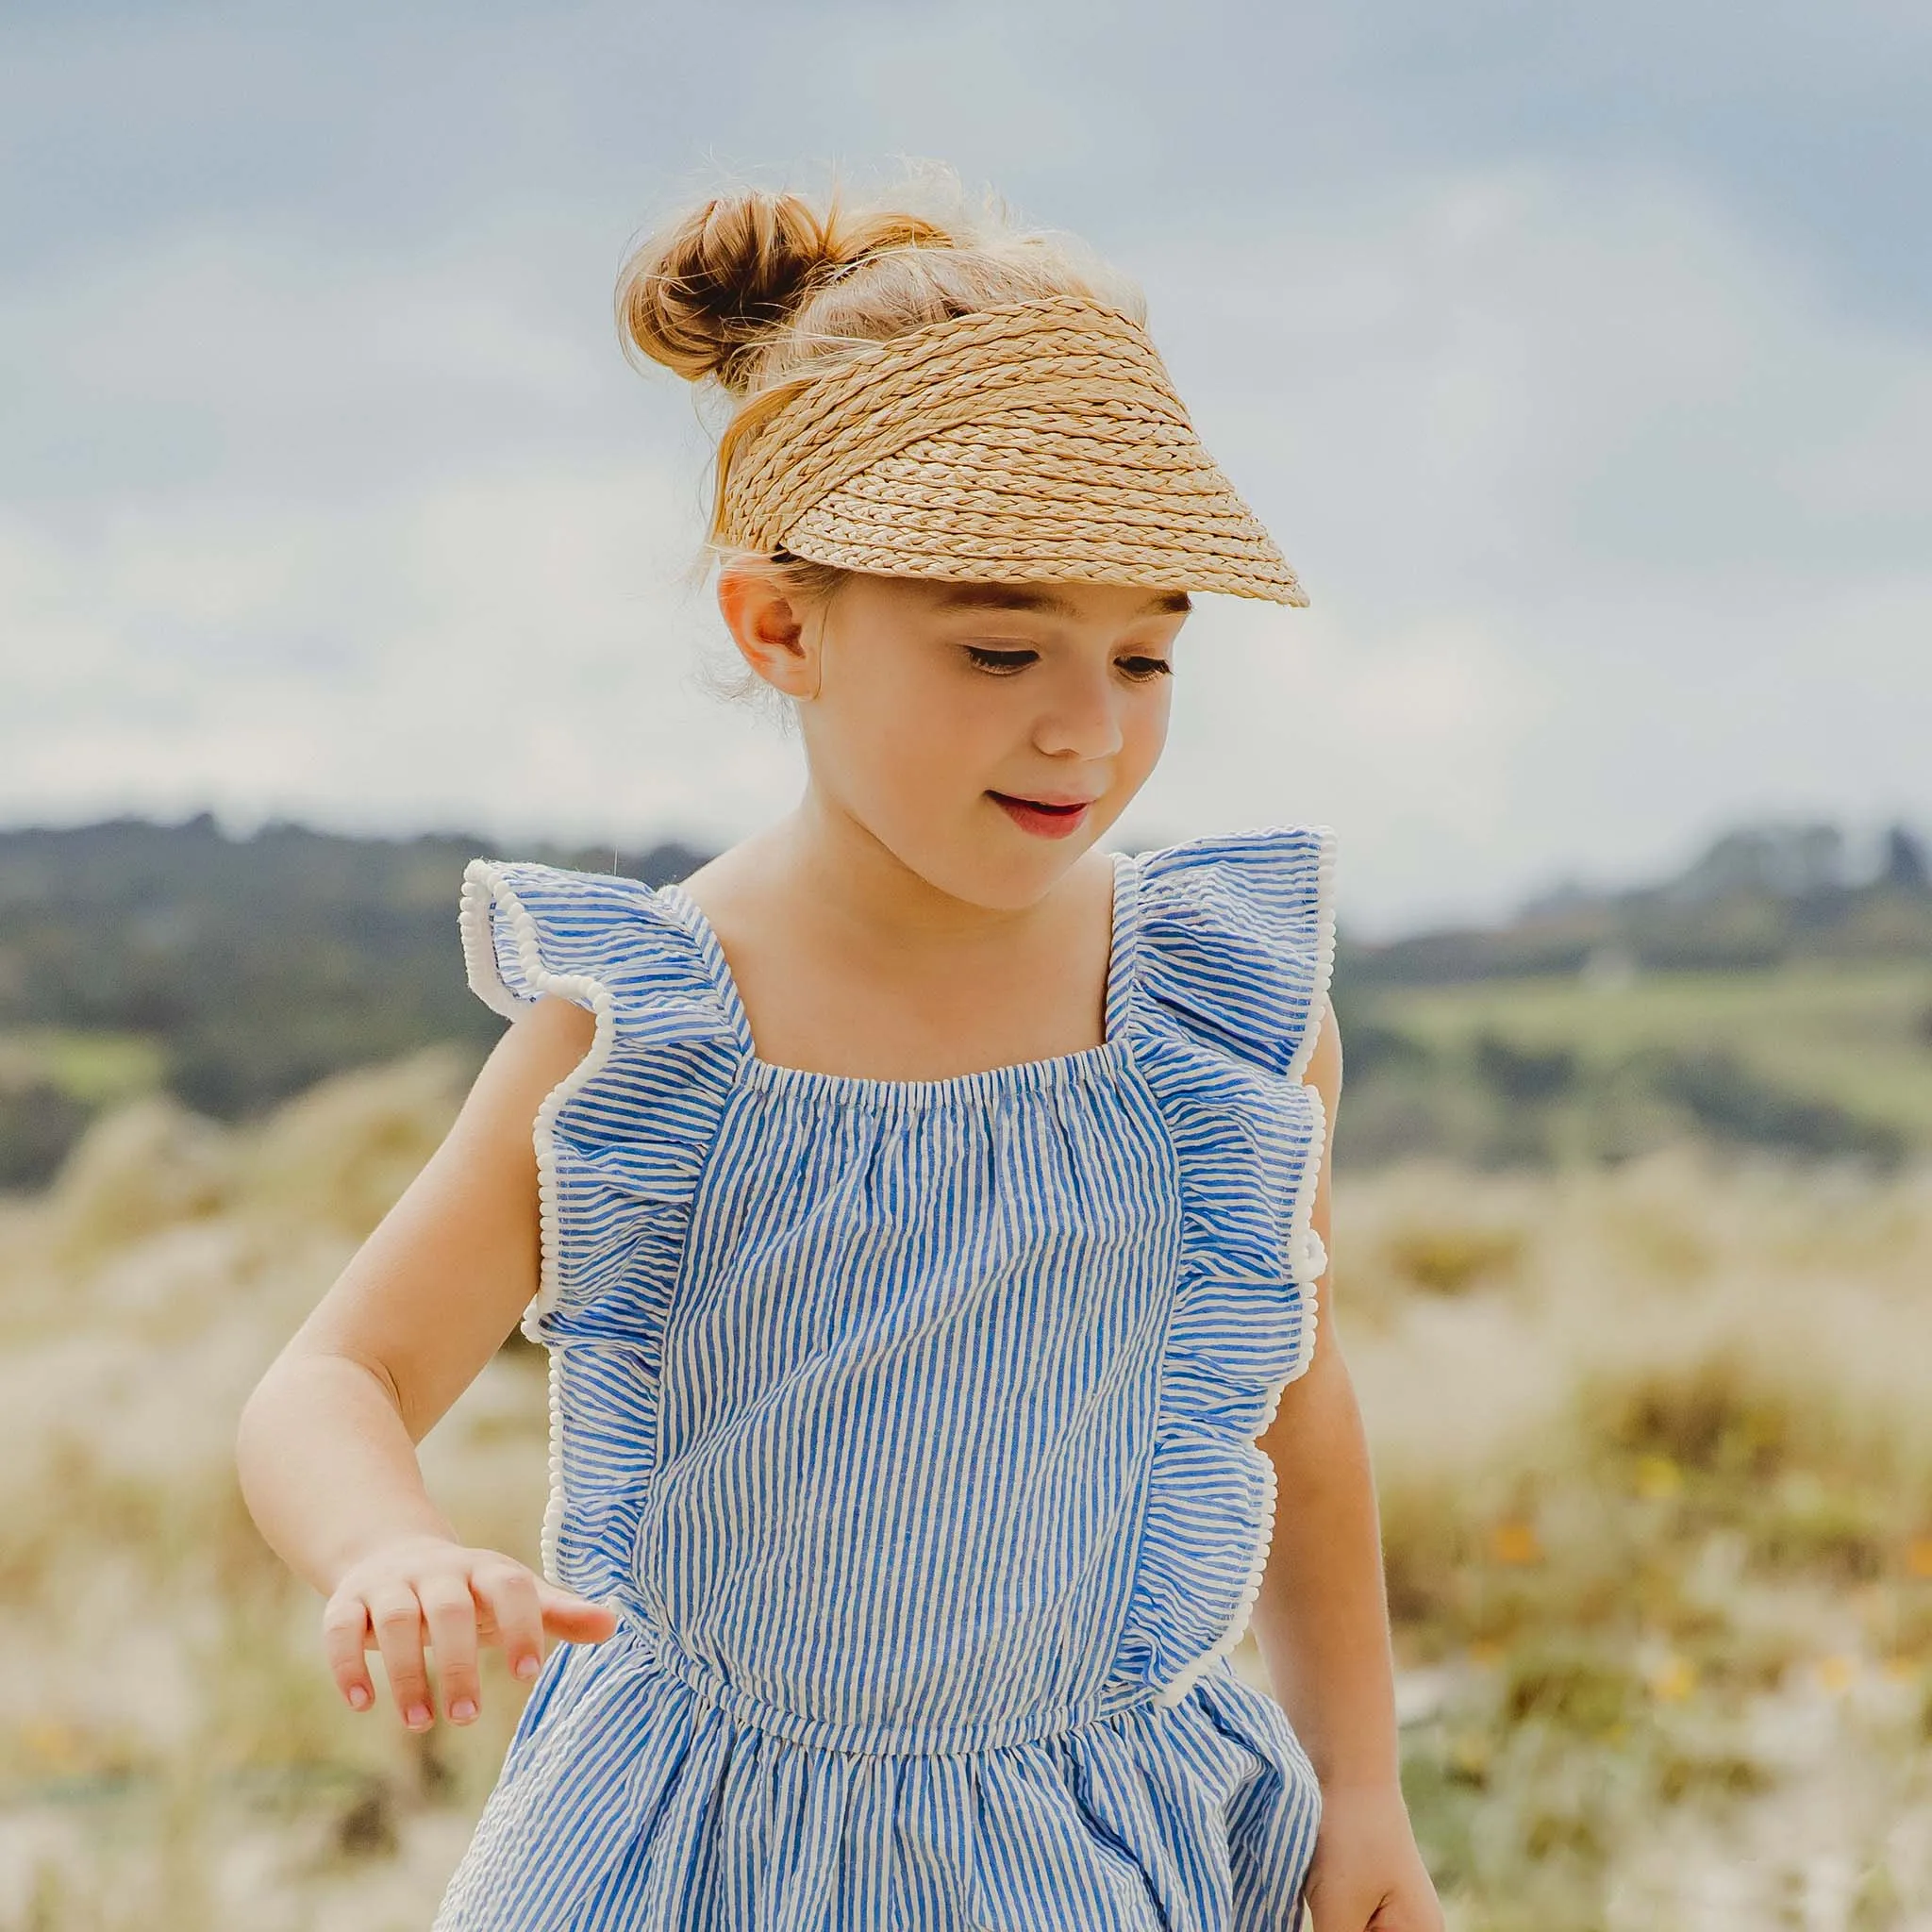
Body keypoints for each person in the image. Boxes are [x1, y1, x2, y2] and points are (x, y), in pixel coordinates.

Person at [236, 174, 1445, 1932]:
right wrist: (388, 1546)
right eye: (1002, 646)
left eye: (1144, 656)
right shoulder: (650, 1028)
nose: (1084, 729)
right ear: (781, 628)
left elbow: (1295, 1421)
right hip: (700, 1842)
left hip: (1090, 1843)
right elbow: (328, 1382)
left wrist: (1366, 1790)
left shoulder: (1220, 1016)